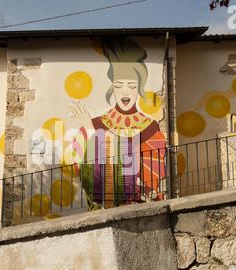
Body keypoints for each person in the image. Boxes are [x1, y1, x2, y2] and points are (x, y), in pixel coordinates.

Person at [70, 38, 166, 208]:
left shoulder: (150, 126)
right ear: (112, 88)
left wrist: (92, 129)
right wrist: (90, 129)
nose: (125, 91)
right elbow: (82, 163)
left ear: (139, 89)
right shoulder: (96, 122)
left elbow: (145, 157)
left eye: (131, 85)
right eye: (119, 85)